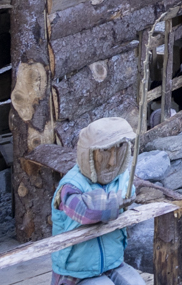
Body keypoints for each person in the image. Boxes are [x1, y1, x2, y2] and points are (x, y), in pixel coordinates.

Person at [50, 120, 138, 285]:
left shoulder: (122, 177)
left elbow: (132, 192)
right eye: (105, 151)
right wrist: (117, 201)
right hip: (76, 272)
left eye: (119, 148)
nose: (112, 161)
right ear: (88, 154)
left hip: (112, 263)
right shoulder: (70, 186)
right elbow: (86, 211)